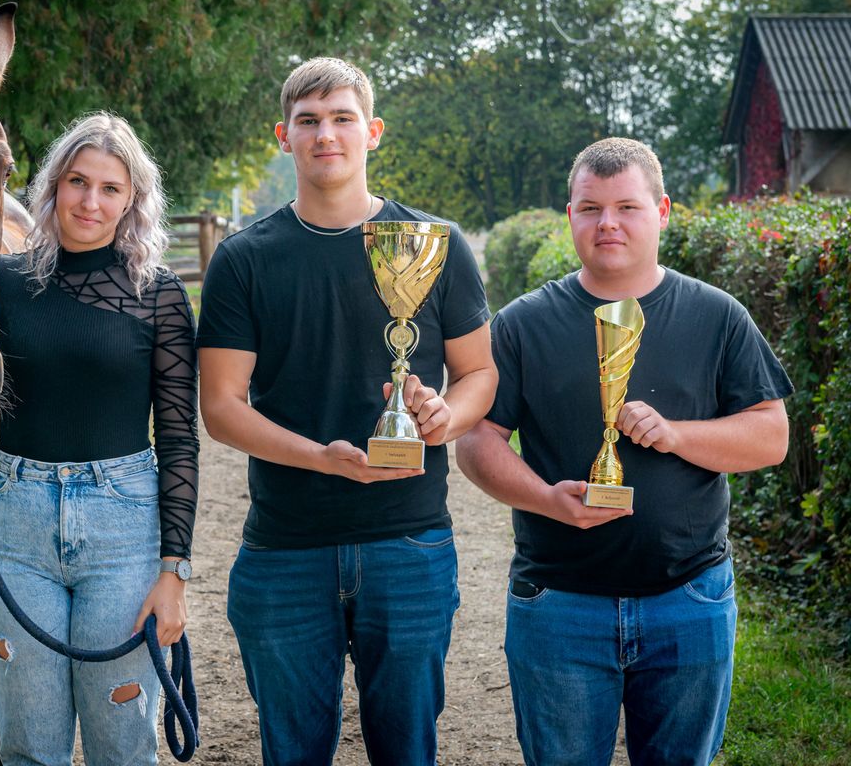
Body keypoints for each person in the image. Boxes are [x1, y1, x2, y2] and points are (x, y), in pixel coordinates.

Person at [196, 57, 497, 765]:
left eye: (341, 119)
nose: (324, 134)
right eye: (308, 121)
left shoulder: (437, 244)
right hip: (286, 545)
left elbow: (479, 373)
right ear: (283, 135)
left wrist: (442, 419)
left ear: (373, 132)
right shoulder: (243, 259)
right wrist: (319, 457)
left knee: (408, 751)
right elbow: (220, 406)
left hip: (411, 540)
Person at [456, 137, 792, 766]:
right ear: (570, 215)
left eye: (627, 207)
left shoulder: (718, 317)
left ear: (662, 211)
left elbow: (771, 437)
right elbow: (477, 441)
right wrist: (545, 500)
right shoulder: (524, 323)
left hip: (689, 601)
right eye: (590, 208)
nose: (607, 223)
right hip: (558, 604)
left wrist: (679, 434)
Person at [0, 111, 198, 765]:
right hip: (14, 525)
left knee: (122, 747)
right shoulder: (5, 283)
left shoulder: (158, 295)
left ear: (133, 199)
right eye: (78, 181)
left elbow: (179, 439)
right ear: (53, 186)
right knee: (28, 746)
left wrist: (174, 572)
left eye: (110, 188)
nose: (91, 200)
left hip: (123, 529)